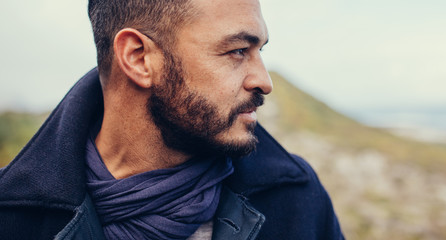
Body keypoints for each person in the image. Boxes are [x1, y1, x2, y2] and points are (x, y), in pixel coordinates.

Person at [0, 0, 345, 239]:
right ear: (138, 58)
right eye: (238, 50)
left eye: (259, 51)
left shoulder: (296, 199)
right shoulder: (13, 217)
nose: (264, 81)